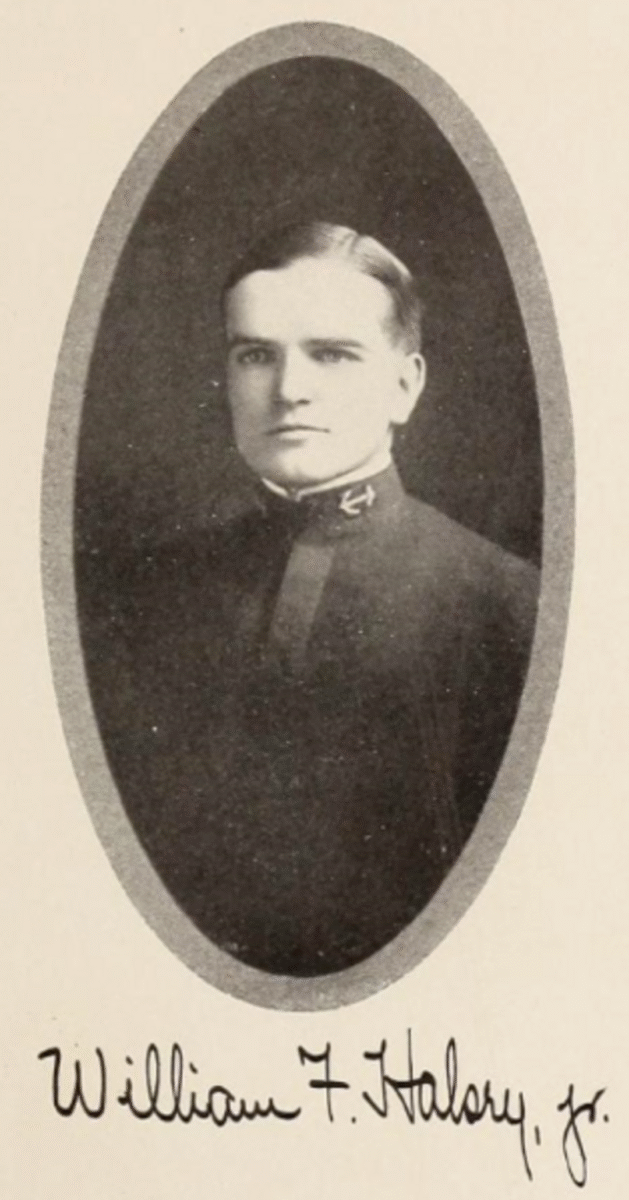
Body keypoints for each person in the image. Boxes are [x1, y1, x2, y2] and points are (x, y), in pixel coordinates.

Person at [79, 221, 539, 977]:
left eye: (332, 354)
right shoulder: (132, 601)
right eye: (255, 355)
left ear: (404, 384)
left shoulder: (509, 610)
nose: (289, 389)